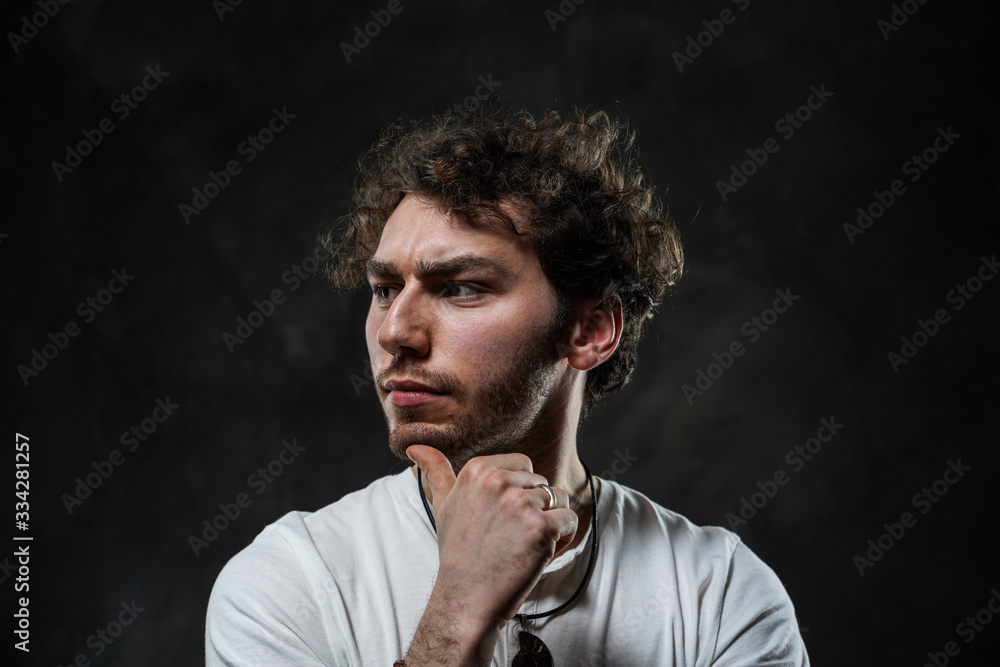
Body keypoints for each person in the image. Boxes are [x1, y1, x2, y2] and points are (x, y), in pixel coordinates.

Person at [205, 108, 810, 666]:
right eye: (386, 289)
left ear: (591, 328)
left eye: (460, 287)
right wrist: (457, 614)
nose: (396, 332)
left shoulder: (719, 592)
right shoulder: (290, 579)